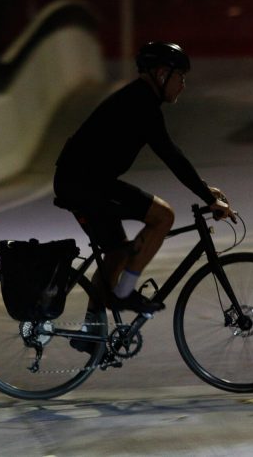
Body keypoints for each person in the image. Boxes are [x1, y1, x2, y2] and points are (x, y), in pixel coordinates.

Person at [53, 41, 236, 315]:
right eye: (180, 77)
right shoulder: (141, 104)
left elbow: (172, 155)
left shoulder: (139, 99)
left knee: (117, 254)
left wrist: (205, 190)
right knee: (162, 217)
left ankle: (91, 336)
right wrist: (208, 198)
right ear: (162, 74)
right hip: (83, 184)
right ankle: (125, 294)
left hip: (88, 181)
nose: (183, 84)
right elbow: (171, 155)